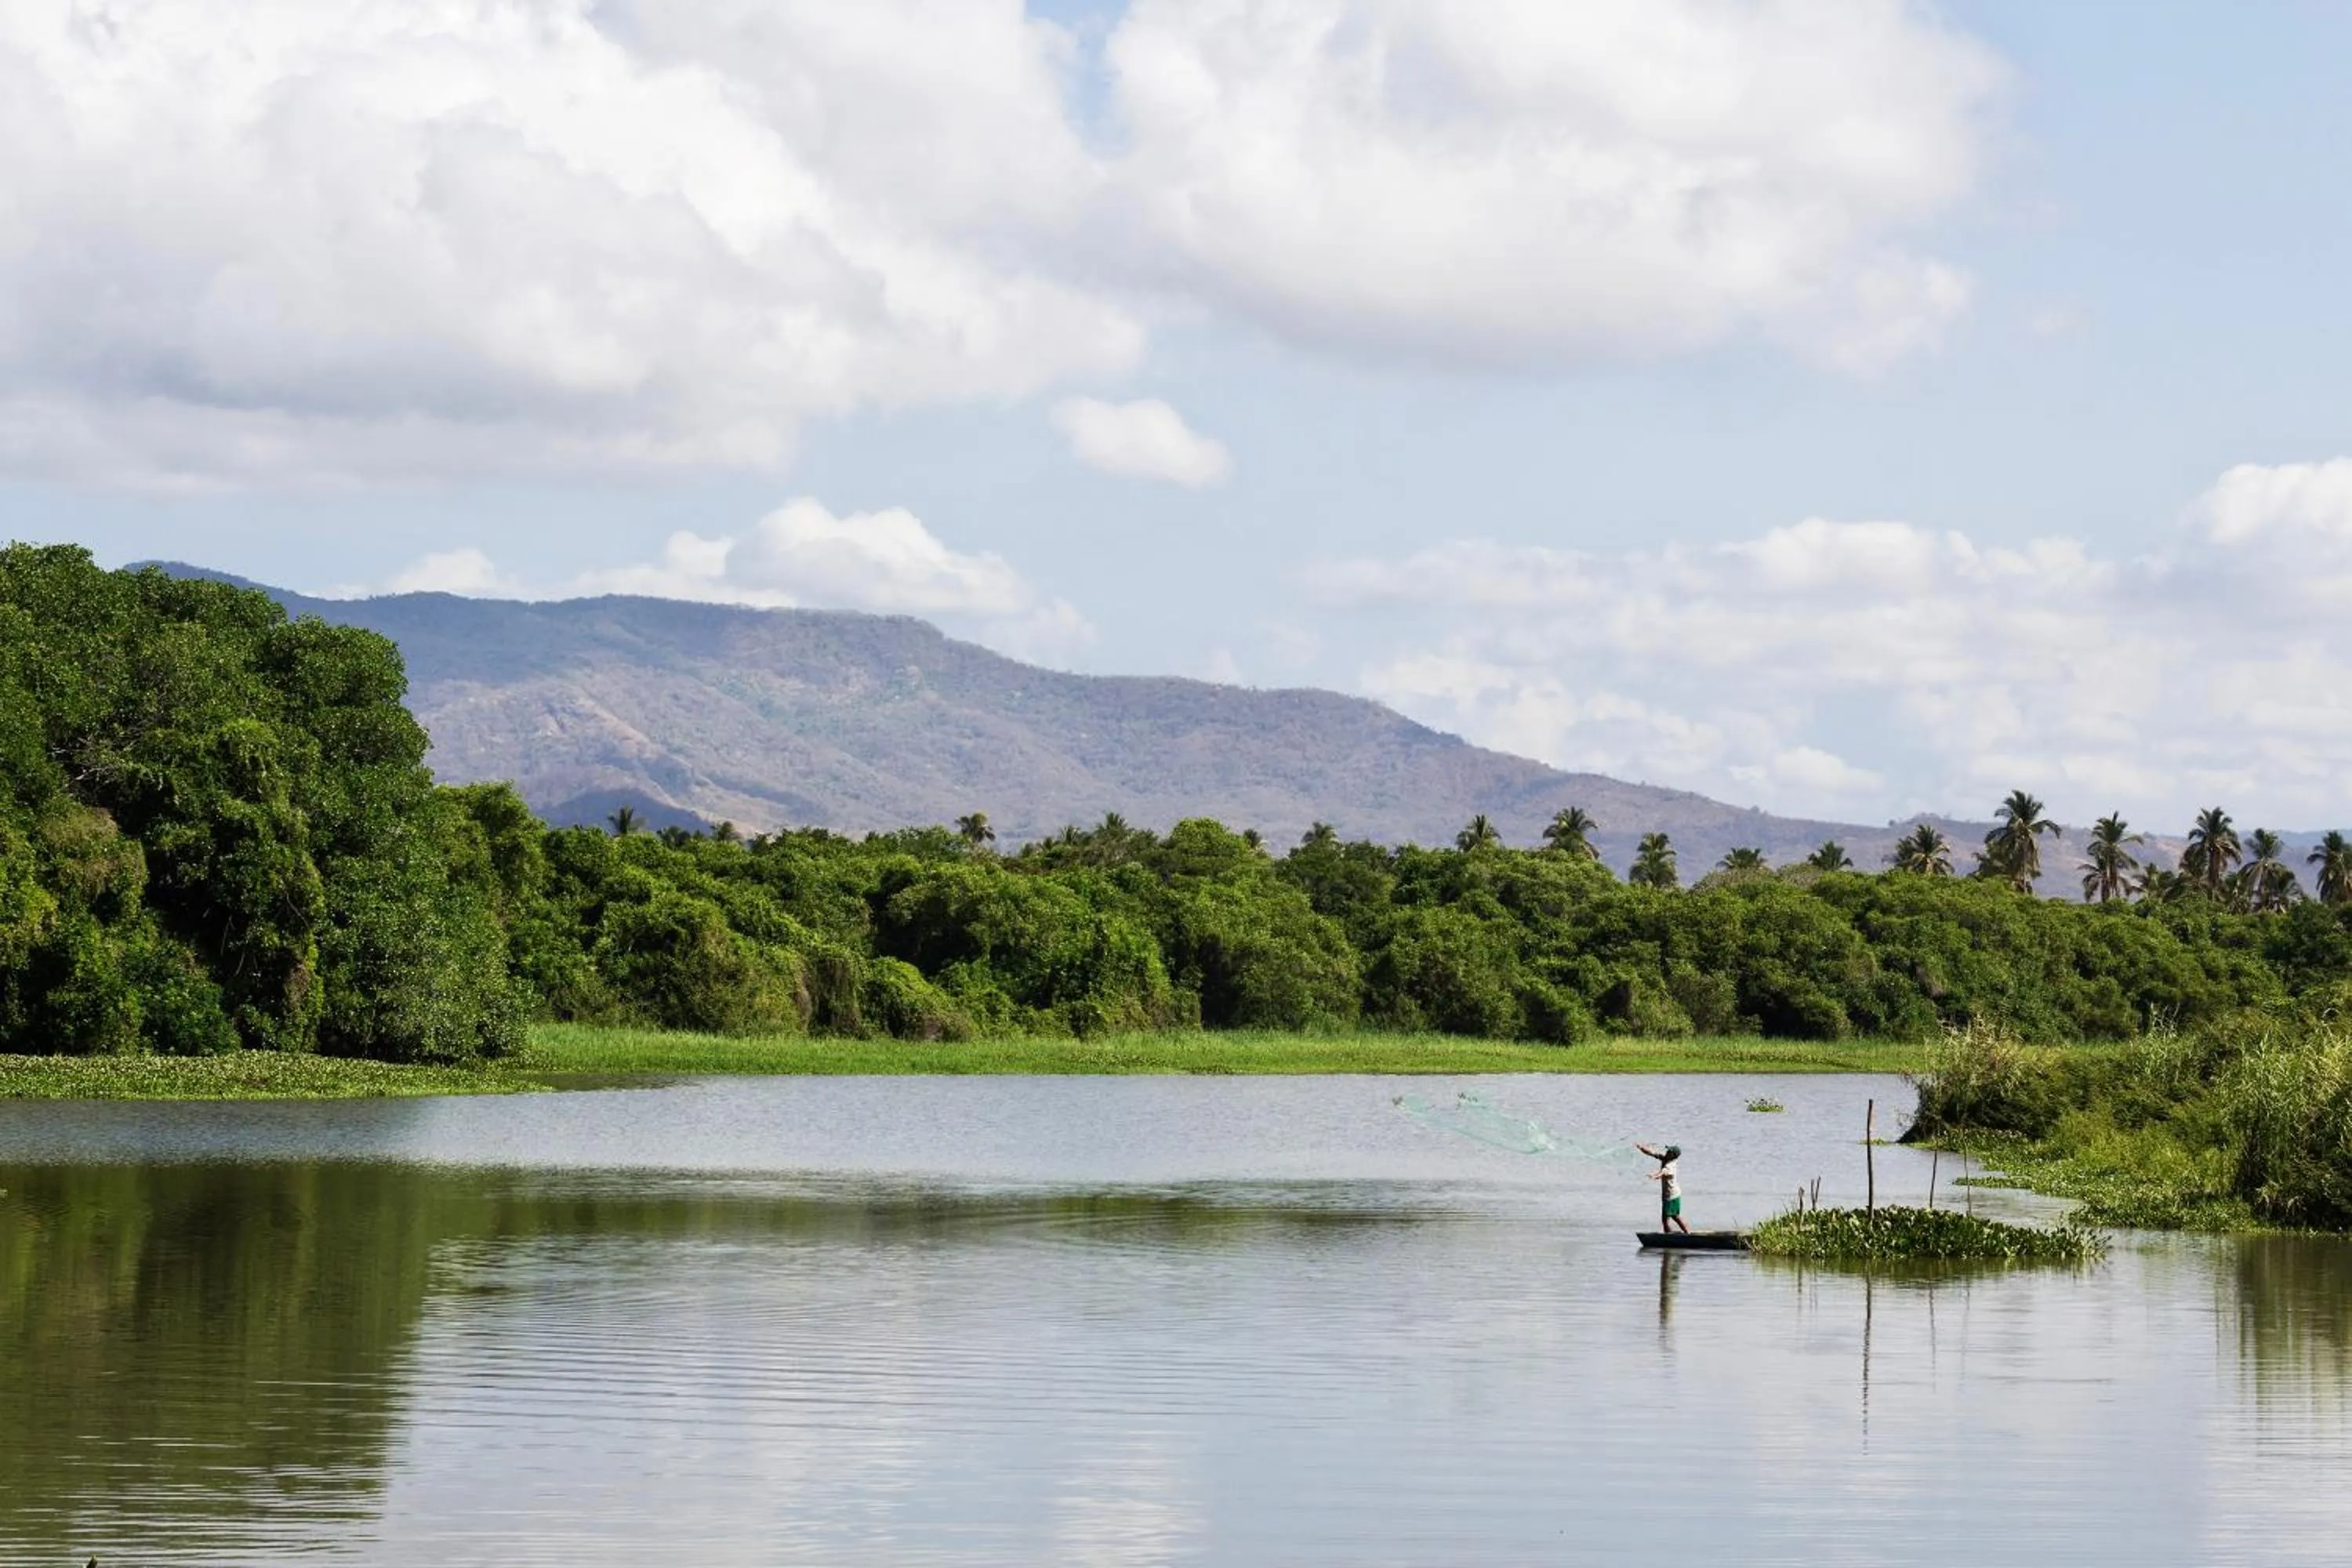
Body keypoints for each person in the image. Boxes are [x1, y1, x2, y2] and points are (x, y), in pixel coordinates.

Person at [1635, 1142, 1689, 1233]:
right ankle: (1687, 1233)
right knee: (1675, 1216)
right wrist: (1641, 1148)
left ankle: (1669, 1237)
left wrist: (1655, 1175)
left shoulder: (1670, 1166)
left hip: (1671, 1195)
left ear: (1673, 1156)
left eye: (1669, 1152)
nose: (1667, 1152)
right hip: (1673, 1194)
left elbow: (1663, 1173)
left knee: (1666, 1219)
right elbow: (1652, 1153)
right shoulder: (1666, 1158)